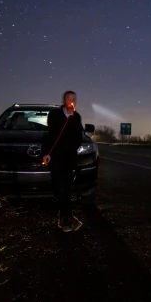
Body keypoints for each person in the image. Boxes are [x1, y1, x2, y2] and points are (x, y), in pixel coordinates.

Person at [43, 90, 84, 232]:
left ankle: (66, 216)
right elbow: (51, 134)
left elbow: (78, 136)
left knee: (66, 187)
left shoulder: (76, 116)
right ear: (64, 100)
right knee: (58, 186)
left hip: (69, 157)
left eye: (73, 99)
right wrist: (46, 153)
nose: (71, 101)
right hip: (56, 156)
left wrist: (72, 118)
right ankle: (64, 215)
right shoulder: (54, 114)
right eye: (68, 98)